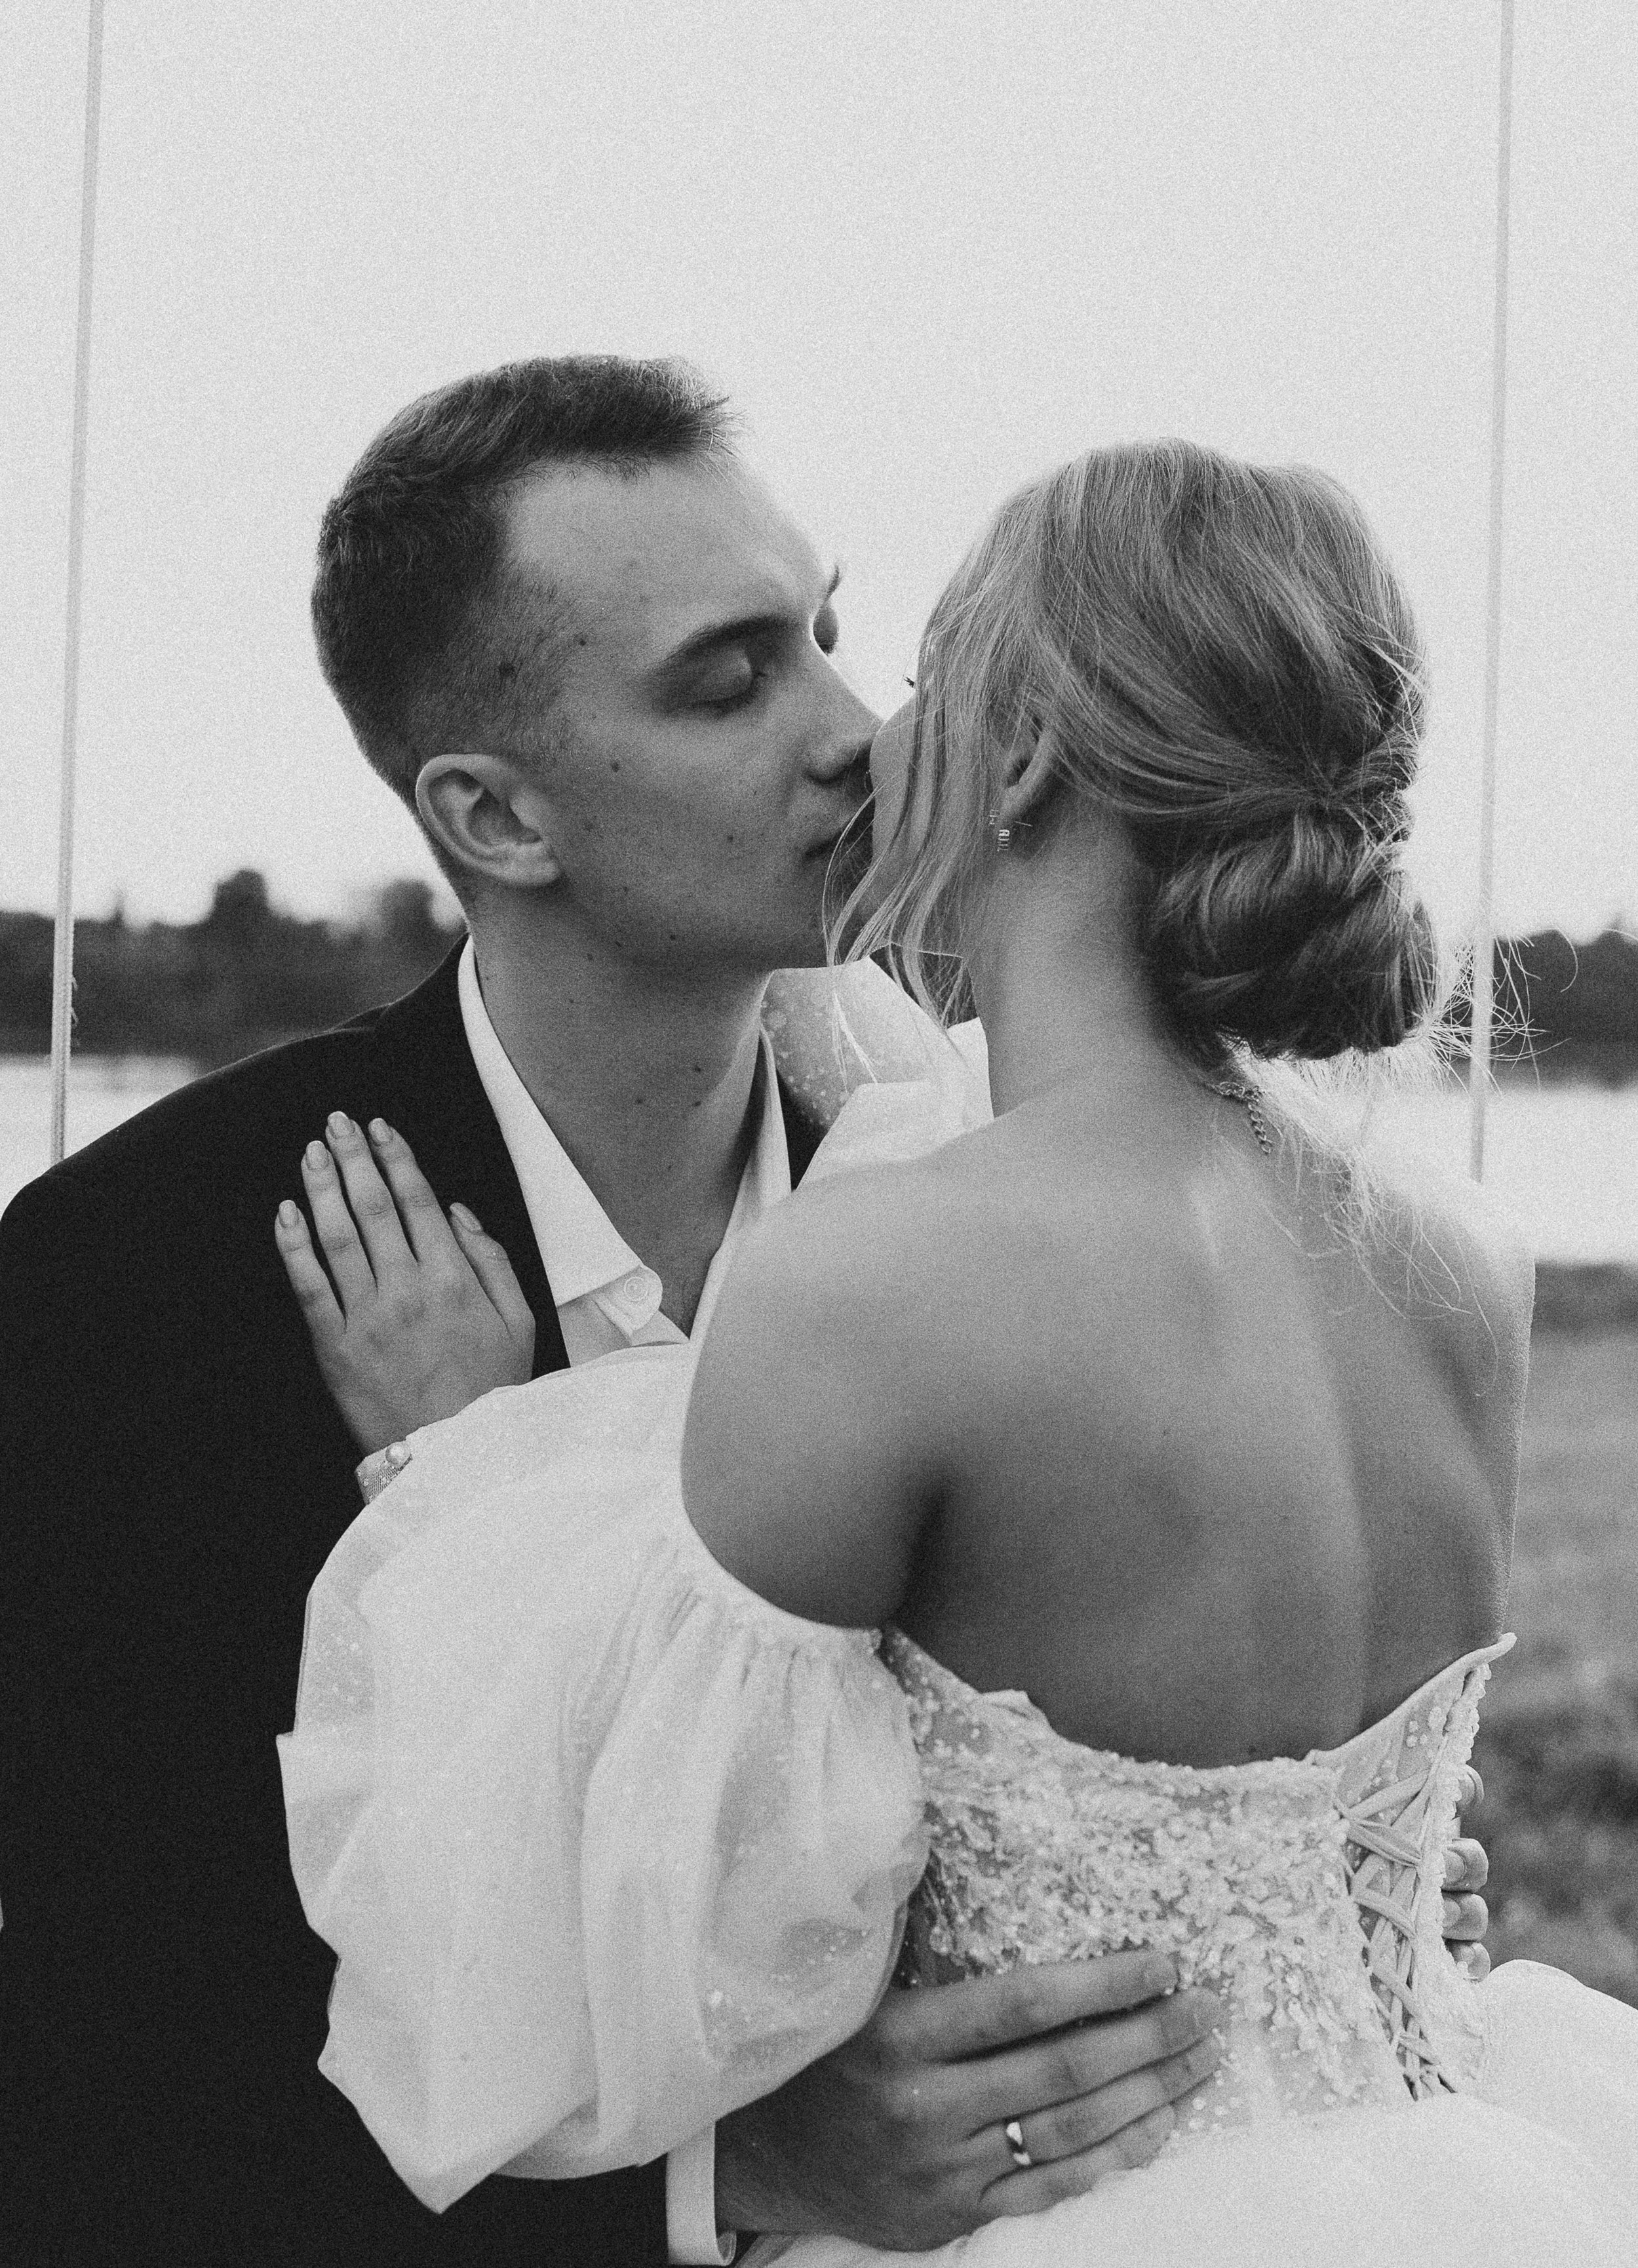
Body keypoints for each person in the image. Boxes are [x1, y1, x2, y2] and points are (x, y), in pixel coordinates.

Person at [0, 361, 1368, 2267]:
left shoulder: (989, 1191)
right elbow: (90, 2103)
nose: (863, 733)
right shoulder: (124, 1288)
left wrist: (1319, 1861)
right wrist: (731, 2185)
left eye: (829, 633)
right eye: (731, 681)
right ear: (494, 812)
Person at [276, 438, 1638, 2264]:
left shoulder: (886, 1274)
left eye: (914, 663)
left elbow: (653, 1941)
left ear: (1015, 754)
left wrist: (459, 1460)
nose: (861, 730)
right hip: (1465, 2173)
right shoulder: (1463, 1257)